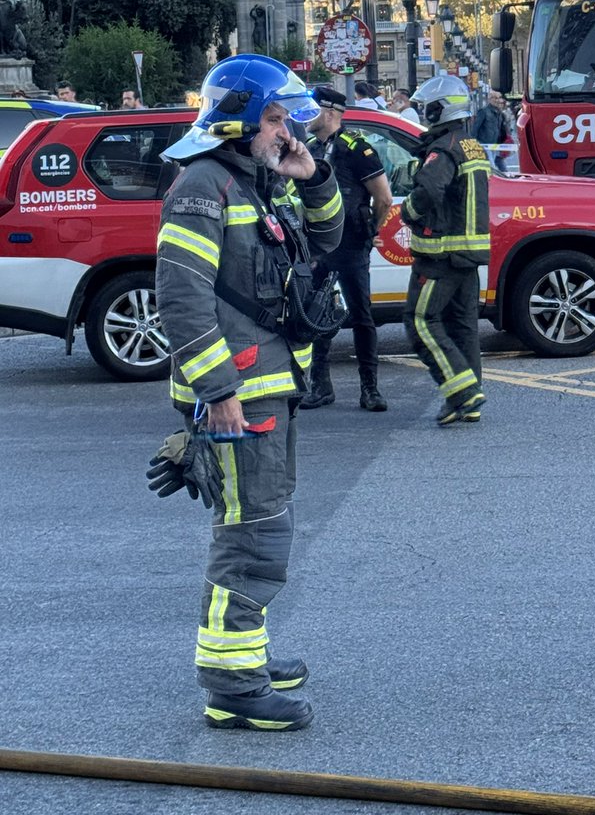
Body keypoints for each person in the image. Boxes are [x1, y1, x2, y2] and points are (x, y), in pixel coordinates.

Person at [150, 54, 343, 732]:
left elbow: (329, 240)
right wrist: (218, 390)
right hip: (240, 394)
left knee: (266, 518)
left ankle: (247, 654)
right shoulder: (203, 186)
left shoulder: (257, 182)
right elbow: (180, 297)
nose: (284, 128)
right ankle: (233, 684)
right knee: (252, 531)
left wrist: (311, 176)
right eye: (271, 116)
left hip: (270, 386)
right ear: (236, 119)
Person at [400, 75, 491, 426]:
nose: (424, 114)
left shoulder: (443, 149)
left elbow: (428, 192)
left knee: (419, 320)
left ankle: (460, 392)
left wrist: (407, 212)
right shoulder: (471, 145)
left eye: (428, 108)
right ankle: (471, 398)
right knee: (463, 324)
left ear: (441, 109)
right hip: (468, 255)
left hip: (440, 255)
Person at [300, 84, 393, 412]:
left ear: (328, 113)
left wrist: (370, 234)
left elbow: (383, 198)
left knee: (361, 316)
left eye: (311, 111)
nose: (305, 117)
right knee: (315, 315)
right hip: (317, 247)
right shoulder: (309, 148)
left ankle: (370, 389)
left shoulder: (357, 147)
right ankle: (320, 386)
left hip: (351, 245)